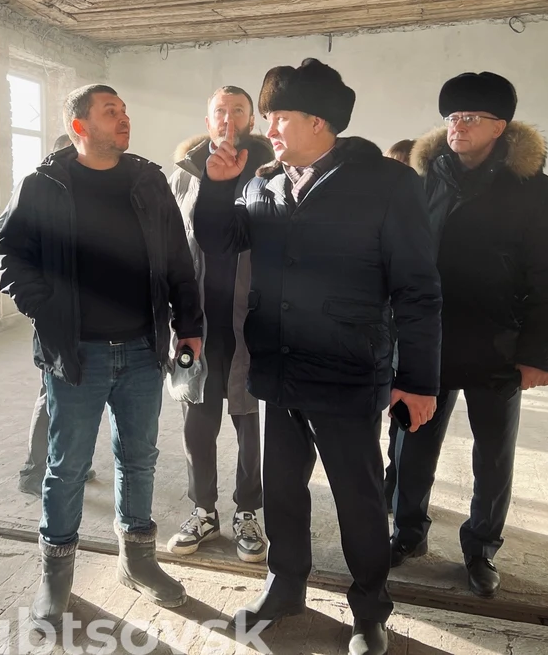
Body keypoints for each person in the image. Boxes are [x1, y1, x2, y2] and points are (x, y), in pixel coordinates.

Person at [195, 59, 441, 655]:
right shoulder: (263, 184)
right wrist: (218, 187)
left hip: (347, 369)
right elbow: (220, 243)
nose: (268, 130)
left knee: (358, 497)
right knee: (282, 489)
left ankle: (369, 609)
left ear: (319, 122)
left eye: (279, 117)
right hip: (277, 368)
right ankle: (285, 588)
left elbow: (417, 288)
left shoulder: (387, 185)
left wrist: (418, 379)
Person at [0, 85, 203, 628]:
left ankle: (138, 561)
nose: (123, 118)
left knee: (139, 458)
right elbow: (6, 248)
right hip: (76, 353)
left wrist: (189, 326)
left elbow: (178, 259)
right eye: (111, 112)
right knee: (66, 467)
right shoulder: (44, 184)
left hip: (142, 348)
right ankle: (55, 576)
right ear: (80, 126)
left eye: (124, 110)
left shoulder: (148, 181)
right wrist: (43, 306)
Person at [390, 73, 548, 598]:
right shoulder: (423, 180)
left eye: (470, 118)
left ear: (500, 127)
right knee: (410, 443)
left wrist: (540, 354)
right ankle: (407, 532)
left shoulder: (533, 189)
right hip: (427, 341)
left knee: (492, 454)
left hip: (497, 344)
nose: (457, 126)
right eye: (452, 117)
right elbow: (399, 263)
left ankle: (481, 547)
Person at [166, 87, 272, 563]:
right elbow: (171, 247)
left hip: (251, 322)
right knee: (197, 420)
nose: (228, 119)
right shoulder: (184, 177)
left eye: (238, 111)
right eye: (220, 111)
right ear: (207, 120)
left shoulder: (269, 175)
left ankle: (248, 511)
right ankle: (203, 510)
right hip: (197, 323)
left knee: (249, 424)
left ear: (251, 121)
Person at [17, 133, 97, 496]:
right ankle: (34, 471)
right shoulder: (38, 192)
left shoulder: (89, 195)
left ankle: (72, 462)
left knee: (79, 396)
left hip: (89, 320)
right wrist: (38, 301)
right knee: (51, 393)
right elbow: (4, 244)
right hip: (56, 318)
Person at [381, 138, 415, 510]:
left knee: (402, 413)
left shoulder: (421, 213)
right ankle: (388, 480)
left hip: (406, 331)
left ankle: (395, 481)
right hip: (379, 328)